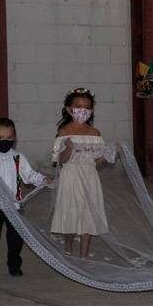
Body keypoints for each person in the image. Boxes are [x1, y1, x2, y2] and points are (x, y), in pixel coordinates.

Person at [0, 117, 50, 276]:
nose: (4, 141)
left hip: (14, 205)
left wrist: (42, 179)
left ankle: (14, 262)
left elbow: (29, 175)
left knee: (16, 236)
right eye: (0, 138)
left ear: (14, 138)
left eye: (8, 138)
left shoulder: (18, 158)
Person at [51, 87, 114, 259]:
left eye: (86, 107)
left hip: (89, 177)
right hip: (70, 177)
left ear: (91, 111)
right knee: (71, 211)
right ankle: (68, 245)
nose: (82, 111)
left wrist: (110, 153)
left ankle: (84, 256)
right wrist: (69, 149)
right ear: (69, 109)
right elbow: (61, 160)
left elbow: (97, 161)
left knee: (88, 214)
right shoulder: (63, 132)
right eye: (78, 106)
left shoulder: (94, 133)